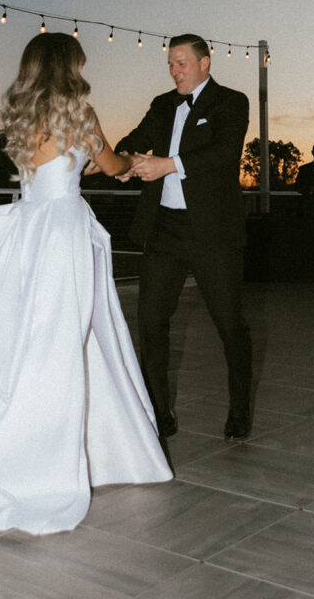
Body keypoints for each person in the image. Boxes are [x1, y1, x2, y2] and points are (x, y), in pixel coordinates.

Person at [0, 33, 171, 535]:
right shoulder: (82, 115)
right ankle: (50, 451)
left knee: (16, 337)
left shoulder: (21, 114)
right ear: (70, 68)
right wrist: (128, 162)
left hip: (24, 228)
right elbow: (111, 165)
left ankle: (2, 442)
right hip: (63, 231)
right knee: (65, 336)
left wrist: (82, 160)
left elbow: (47, 166)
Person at [115, 33, 252, 441]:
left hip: (213, 232)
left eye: (182, 63)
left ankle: (240, 410)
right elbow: (137, 139)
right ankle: (160, 413)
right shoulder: (163, 104)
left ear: (205, 63)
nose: (174, 71)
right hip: (164, 229)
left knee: (230, 325)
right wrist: (122, 161)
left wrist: (168, 165)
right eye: (170, 65)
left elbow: (224, 153)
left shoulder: (233, 102)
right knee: (150, 320)